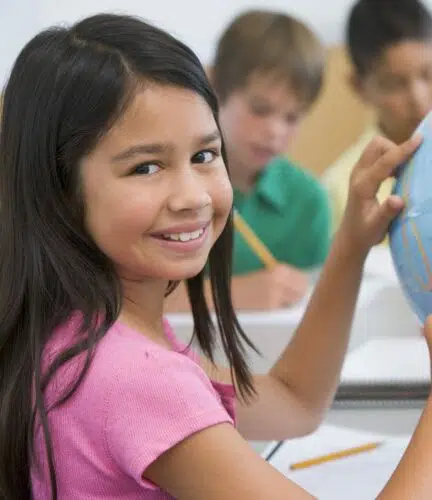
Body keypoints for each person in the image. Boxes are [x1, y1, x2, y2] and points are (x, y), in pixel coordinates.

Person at [0, 12, 430, 500]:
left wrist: (350, 244)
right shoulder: (133, 378)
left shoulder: (80, 333)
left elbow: (294, 401)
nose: (193, 196)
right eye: (145, 167)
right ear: (60, 190)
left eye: (205, 155)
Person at [166, 10, 331, 311]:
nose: (275, 131)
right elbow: (125, 301)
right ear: (213, 86)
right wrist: (228, 296)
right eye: (260, 109)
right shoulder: (175, 188)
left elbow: (316, 311)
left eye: (292, 117)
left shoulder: (309, 202)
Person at [323, 0, 432, 233]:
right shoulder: (342, 191)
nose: (418, 99)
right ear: (359, 87)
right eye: (394, 84)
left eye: (428, 74)